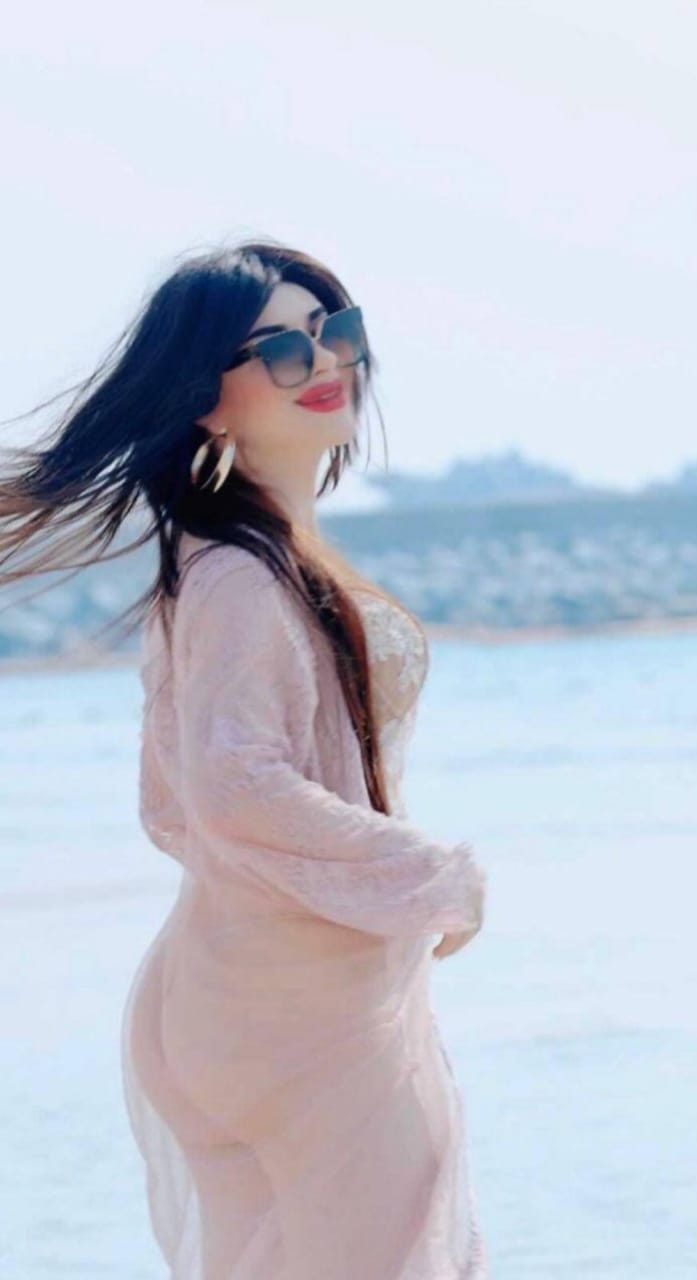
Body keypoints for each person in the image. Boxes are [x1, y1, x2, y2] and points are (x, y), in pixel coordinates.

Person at [0, 238, 489, 1278]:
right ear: (204, 398)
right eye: (279, 349)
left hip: (253, 989)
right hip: (299, 1008)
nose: (324, 363)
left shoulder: (231, 558)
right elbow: (230, 787)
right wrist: (432, 872)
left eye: (333, 331)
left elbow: (176, 799)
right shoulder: (237, 573)